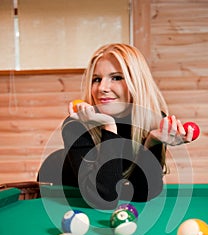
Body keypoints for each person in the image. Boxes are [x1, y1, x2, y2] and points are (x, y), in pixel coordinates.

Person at [39, 43, 194, 209]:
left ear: (137, 82)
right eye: (96, 79)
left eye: (116, 77)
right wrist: (109, 127)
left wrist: (152, 142)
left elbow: (144, 194)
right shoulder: (77, 124)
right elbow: (103, 198)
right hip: (57, 186)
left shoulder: (152, 122)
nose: (102, 88)